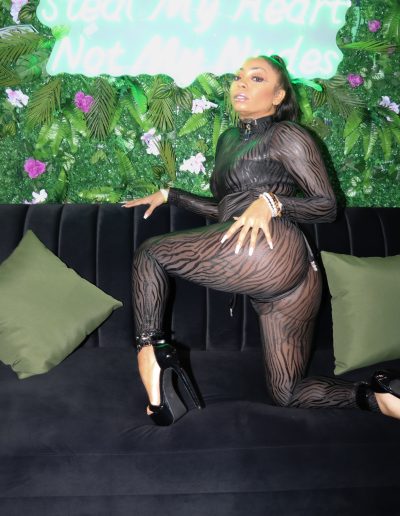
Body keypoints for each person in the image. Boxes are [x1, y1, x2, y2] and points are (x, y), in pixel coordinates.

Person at [122, 55, 400, 425]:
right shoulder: (228, 141)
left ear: (278, 96)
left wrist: (272, 203)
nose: (241, 83)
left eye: (256, 78)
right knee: (287, 393)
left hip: (273, 248)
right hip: (294, 278)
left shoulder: (287, 135)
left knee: (151, 254)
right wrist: (172, 196)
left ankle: (152, 351)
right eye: (238, 77)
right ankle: (378, 397)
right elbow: (228, 210)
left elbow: (327, 205)